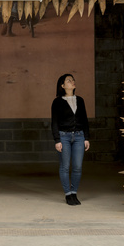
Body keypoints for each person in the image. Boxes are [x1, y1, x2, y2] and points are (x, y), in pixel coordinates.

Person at [51, 73, 90, 205]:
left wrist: (86, 138)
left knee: (77, 166)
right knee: (65, 166)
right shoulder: (57, 102)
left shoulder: (80, 100)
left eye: (73, 80)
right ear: (62, 86)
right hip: (64, 137)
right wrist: (57, 140)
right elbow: (54, 122)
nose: (72, 82)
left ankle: (74, 193)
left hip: (79, 136)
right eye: (69, 80)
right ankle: (68, 194)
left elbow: (84, 120)